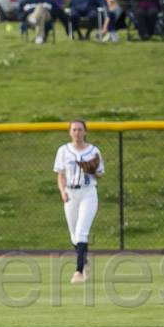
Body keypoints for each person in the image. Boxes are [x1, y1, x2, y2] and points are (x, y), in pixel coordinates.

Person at [53, 119, 104, 284]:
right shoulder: (63, 150)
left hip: (88, 193)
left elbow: (100, 174)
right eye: (74, 130)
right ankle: (85, 262)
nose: (77, 133)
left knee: (82, 231)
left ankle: (79, 271)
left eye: (80, 130)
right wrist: (62, 192)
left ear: (85, 132)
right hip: (70, 193)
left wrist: (93, 170)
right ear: (69, 132)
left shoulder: (93, 150)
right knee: (74, 236)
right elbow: (60, 175)